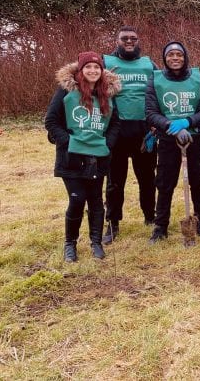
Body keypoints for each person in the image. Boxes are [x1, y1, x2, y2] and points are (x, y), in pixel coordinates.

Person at [45, 52, 120, 262]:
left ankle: (96, 242)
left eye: (96, 67)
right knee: (77, 200)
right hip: (72, 157)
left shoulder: (108, 93)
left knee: (96, 200)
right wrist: (69, 142)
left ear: (101, 70)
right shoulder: (66, 92)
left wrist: (108, 143)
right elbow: (51, 121)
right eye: (88, 67)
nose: (92, 71)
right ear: (80, 69)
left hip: (98, 157)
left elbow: (115, 123)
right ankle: (70, 244)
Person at [145, 41, 200, 243]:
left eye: (179, 54)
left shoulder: (197, 78)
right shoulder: (155, 80)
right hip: (168, 141)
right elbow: (150, 112)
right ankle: (160, 227)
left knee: (197, 182)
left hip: (194, 140)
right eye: (171, 55)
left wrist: (188, 121)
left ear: (185, 57)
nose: (175, 58)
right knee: (165, 183)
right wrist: (168, 124)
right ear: (165, 58)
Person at [102, 26, 157, 243]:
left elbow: (160, 91)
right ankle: (113, 222)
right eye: (124, 38)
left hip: (144, 130)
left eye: (133, 38)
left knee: (147, 177)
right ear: (117, 40)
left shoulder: (148, 64)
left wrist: (157, 123)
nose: (129, 41)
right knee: (115, 180)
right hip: (116, 130)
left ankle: (150, 216)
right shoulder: (106, 63)